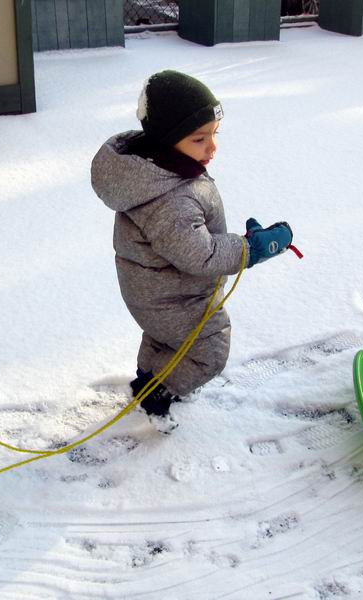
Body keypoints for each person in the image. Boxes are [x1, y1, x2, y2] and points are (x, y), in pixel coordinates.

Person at [91, 70, 293, 434]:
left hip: (153, 295)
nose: (212, 147)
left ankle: (146, 379)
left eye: (215, 135)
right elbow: (198, 255)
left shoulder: (158, 173)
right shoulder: (171, 198)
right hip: (175, 297)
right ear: (168, 141)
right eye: (200, 139)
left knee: (164, 338)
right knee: (210, 348)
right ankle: (160, 394)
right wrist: (253, 248)